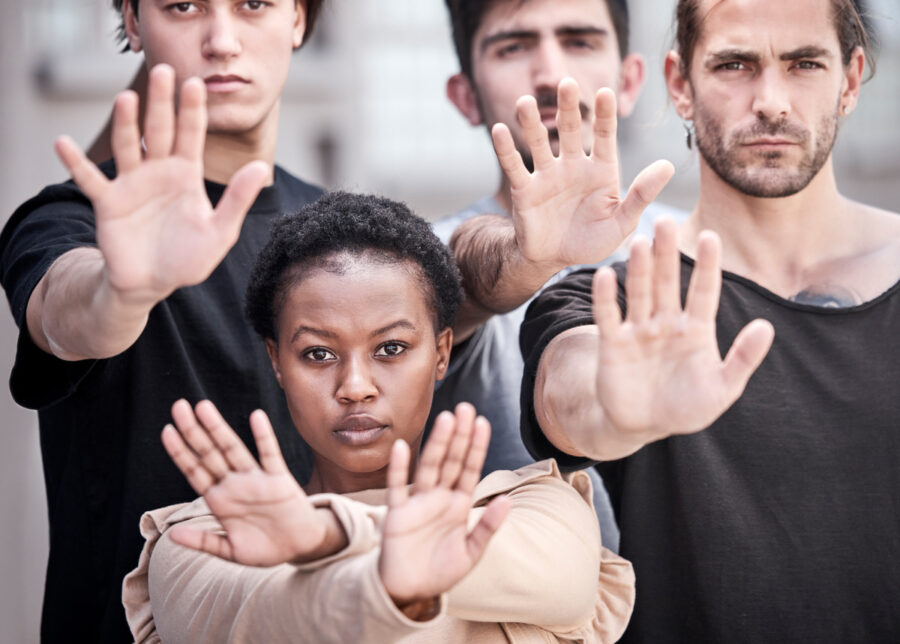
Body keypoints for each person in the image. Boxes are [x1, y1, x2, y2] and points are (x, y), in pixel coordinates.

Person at [507, 0, 900, 640]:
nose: (771, 100)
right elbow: (571, 394)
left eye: (804, 63)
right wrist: (614, 412)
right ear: (680, 85)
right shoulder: (615, 297)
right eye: (735, 64)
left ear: (851, 80)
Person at [121, 192, 636, 643]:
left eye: (390, 348)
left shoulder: (537, 505)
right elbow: (274, 622)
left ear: (440, 354)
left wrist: (330, 537)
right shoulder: (196, 540)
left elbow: (565, 586)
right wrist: (384, 580)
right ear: (277, 361)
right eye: (318, 354)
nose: (355, 388)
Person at [0, 1, 325, 640]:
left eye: (254, 3)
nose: (222, 41)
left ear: (298, 17)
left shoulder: (349, 233)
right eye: (183, 5)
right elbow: (69, 314)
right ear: (132, 20)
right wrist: (123, 291)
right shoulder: (68, 221)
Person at [432, 0, 683, 549]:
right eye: (513, 47)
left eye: (580, 41)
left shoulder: (701, 253)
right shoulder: (409, 260)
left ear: (632, 79)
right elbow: (454, 282)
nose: (550, 74)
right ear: (465, 96)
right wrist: (531, 256)